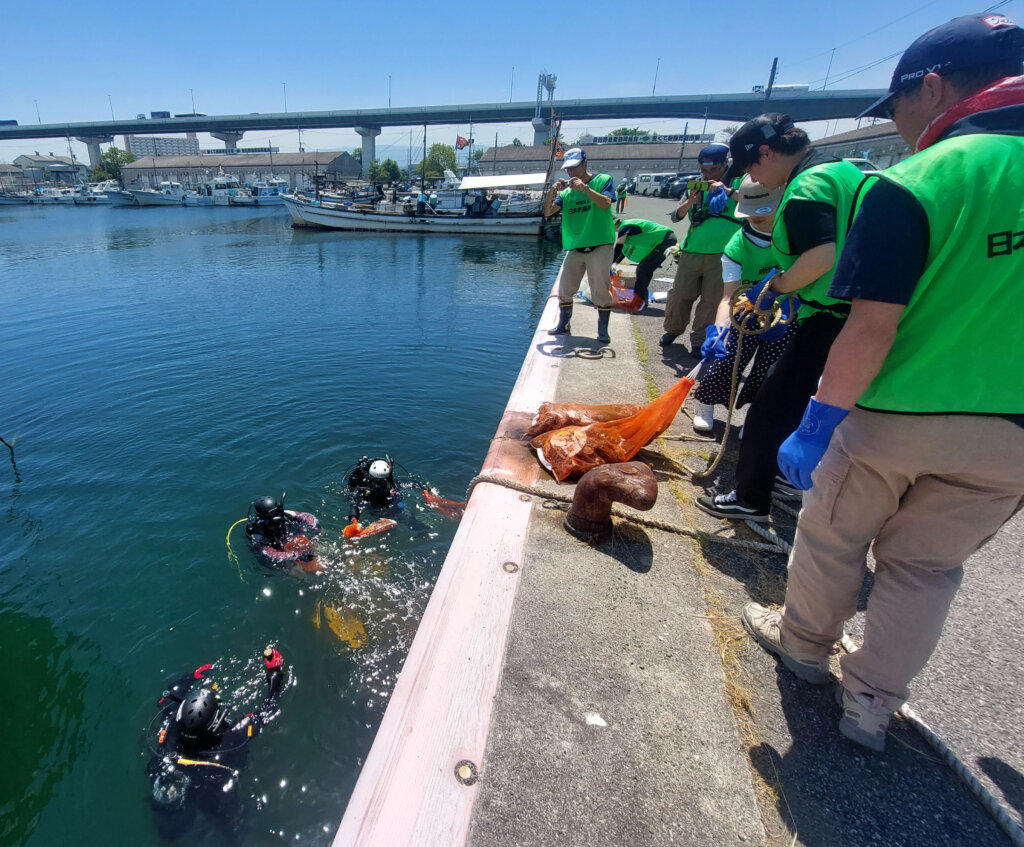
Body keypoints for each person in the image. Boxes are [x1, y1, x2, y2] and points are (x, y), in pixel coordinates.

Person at [740, 13, 1024, 752]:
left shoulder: (920, 180)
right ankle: (870, 703)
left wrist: (817, 419)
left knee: (834, 535)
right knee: (927, 567)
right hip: (1012, 432)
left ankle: (804, 649)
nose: (896, 124)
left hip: (894, 408)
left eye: (896, 106)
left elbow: (871, 324)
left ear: (931, 87)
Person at [695, 115, 864, 521]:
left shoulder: (809, 185)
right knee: (801, 401)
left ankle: (750, 497)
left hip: (826, 313)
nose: (754, 176)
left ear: (767, 153)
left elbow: (823, 255)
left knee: (770, 407)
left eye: (752, 166)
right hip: (857, 309)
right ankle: (784, 477)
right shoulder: (845, 170)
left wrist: (777, 289)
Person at [144, 647, 287, 838]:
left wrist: (192, 677)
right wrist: (275, 674)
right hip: (210, 794)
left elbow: (167, 698)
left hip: (176, 778)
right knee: (232, 824)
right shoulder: (231, 739)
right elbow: (268, 711)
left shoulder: (171, 727)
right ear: (215, 724)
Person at [690, 177, 787, 433]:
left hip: (784, 312)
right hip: (745, 309)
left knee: (770, 368)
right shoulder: (737, 244)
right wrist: (719, 330)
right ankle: (705, 402)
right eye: (750, 212)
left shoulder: (794, 237)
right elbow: (727, 297)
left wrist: (789, 306)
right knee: (729, 357)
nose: (755, 217)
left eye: (762, 211)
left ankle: (756, 414)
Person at [659, 143, 743, 356]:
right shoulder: (695, 185)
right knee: (680, 295)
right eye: (704, 170)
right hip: (692, 249)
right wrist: (691, 201)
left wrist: (727, 190)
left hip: (723, 253)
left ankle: (699, 340)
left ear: (725, 163)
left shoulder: (739, 181)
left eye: (713, 170)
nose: (707, 175)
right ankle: (673, 329)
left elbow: (753, 203)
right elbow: (676, 216)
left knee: (711, 301)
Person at [543, 147, 618, 343]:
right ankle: (563, 324)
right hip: (576, 245)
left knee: (600, 290)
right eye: (568, 169)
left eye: (575, 168)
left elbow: (606, 203)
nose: (571, 173)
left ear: (585, 164)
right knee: (565, 289)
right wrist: (552, 192)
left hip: (600, 243)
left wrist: (585, 188)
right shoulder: (567, 193)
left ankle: (603, 330)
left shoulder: (603, 180)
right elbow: (548, 213)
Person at [244, 494, 321, 571]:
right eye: (269, 522)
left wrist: (312, 531)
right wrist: (296, 555)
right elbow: (270, 554)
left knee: (315, 544)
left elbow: (309, 517)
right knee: (293, 570)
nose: (275, 524)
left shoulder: (286, 514)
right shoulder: (258, 535)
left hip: (287, 541)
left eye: (277, 519)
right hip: (274, 553)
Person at [612, 217, 678, 305]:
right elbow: (622, 252)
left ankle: (639, 301)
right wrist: (614, 264)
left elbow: (618, 248)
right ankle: (641, 300)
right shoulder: (626, 228)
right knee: (644, 270)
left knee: (643, 270)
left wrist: (609, 264)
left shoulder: (624, 227)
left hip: (665, 240)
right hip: (664, 240)